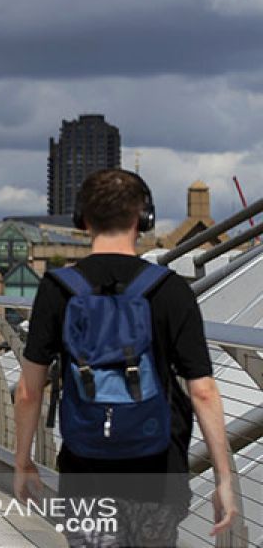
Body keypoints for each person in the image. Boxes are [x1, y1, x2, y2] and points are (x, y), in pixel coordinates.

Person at [14, 169, 237, 545]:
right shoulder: (170, 290)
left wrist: (22, 463)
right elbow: (203, 392)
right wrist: (224, 479)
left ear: (82, 220)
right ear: (143, 219)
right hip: (159, 471)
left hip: (86, 468)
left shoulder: (58, 290)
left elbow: (28, 392)